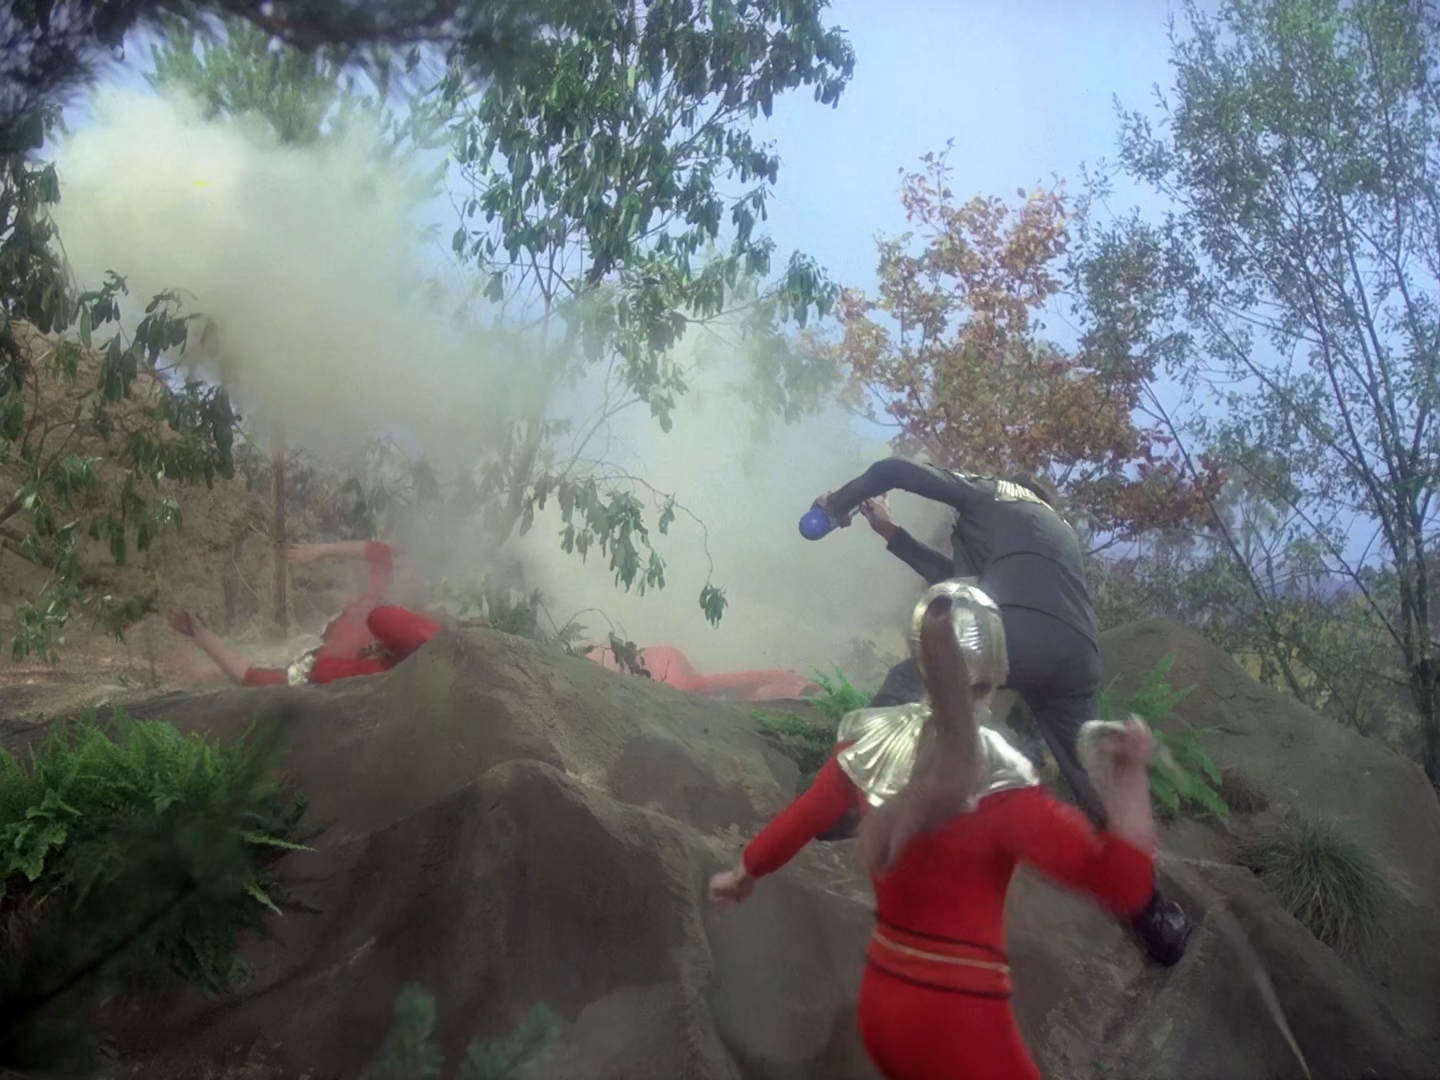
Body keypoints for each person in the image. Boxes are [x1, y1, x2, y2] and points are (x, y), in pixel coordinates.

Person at [708, 580, 1158, 1080]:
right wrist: (1130, 778)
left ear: (920, 659)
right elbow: (1125, 885)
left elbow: (802, 817)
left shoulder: (869, 742)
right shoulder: (1004, 781)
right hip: (961, 1021)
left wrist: (743, 872)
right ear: (997, 671)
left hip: (883, 1005)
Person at [810, 457, 1191, 966]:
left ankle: (841, 803)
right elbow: (960, 582)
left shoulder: (993, 491)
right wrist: (891, 533)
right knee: (1090, 777)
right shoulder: (1054, 530)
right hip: (1076, 652)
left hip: (1012, 632)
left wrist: (838, 505)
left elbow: (893, 469)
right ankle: (1155, 917)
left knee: (908, 679)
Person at [168, 540, 441, 686]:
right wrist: (322, 551)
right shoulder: (369, 611)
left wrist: (198, 633)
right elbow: (383, 552)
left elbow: (251, 678)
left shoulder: (335, 660)